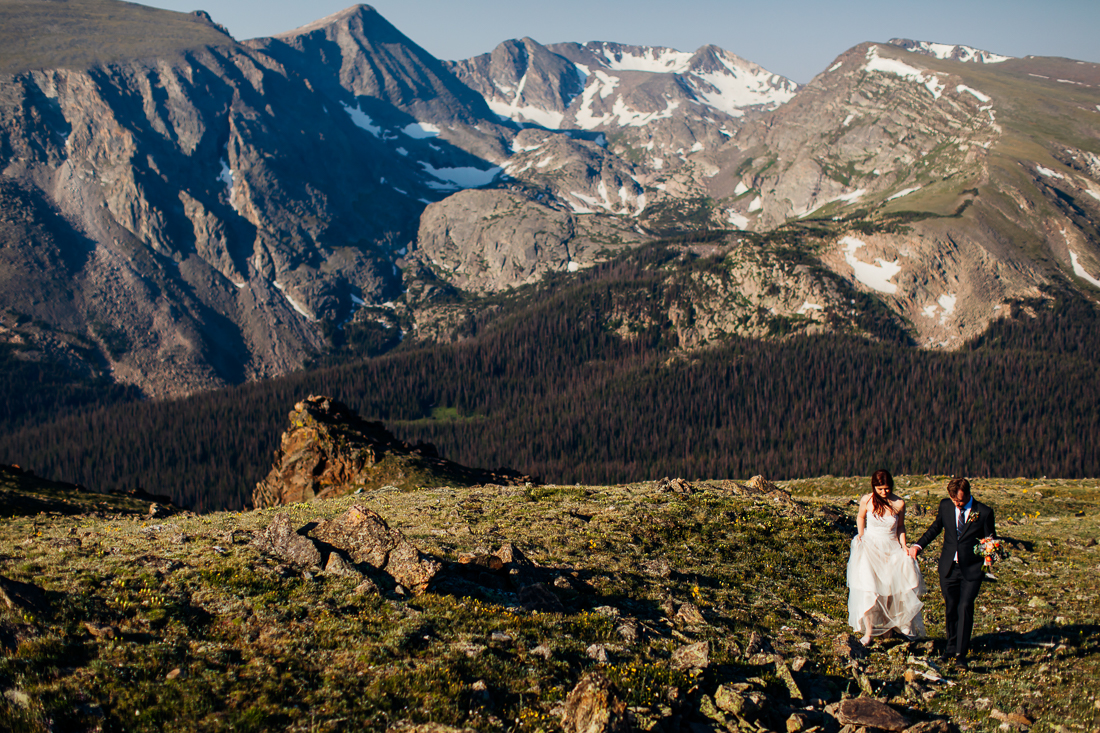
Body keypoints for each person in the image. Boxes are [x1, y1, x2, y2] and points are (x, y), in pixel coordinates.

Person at [908, 477, 996, 669]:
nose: (958, 504)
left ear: (969, 494)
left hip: (972, 569)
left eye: (961, 501)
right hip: (948, 567)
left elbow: (991, 541)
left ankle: (961, 655)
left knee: (965, 607)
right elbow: (936, 528)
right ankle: (950, 648)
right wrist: (918, 545)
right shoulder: (946, 506)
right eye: (955, 501)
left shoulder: (984, 512)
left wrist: (988, 555)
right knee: (951, 607)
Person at [847, 469, 926, 645]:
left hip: (891, 548)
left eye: (887, 488)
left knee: (892, 590)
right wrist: (860, 534)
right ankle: (869, 632)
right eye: (880, 489)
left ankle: (890, 628)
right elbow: (860, 517)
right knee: (870, 589)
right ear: (874, 487)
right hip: (870, 548)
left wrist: (904, 545)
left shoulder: (899, 503)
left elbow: (900, 527)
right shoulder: (867, 500)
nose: (884, 492)